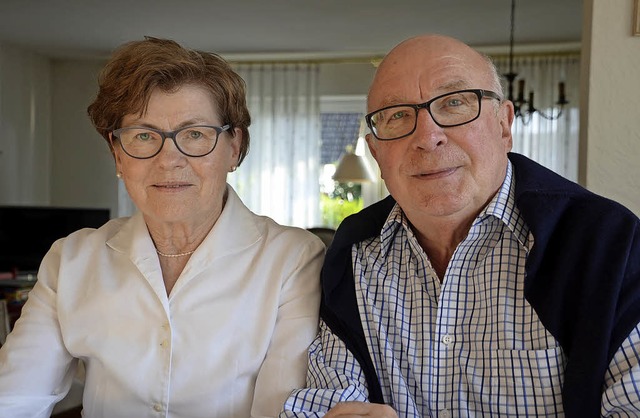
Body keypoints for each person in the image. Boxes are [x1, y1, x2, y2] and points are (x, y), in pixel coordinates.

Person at [280, 34, 640, 417]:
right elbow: (325, 403)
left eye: (454, 103)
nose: (427, 137)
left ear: (504, 125)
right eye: (398, 115)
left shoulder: (609, 245)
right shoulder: (353, 256)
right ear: (376, 152)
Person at [0, 37, 325, 418]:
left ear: (234, 147)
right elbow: (15, 400)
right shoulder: (71, 259)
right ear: (117, 154)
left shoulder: (293, 259)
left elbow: (282, 411)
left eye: (195, 134)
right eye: (143, 135)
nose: (169, 159)